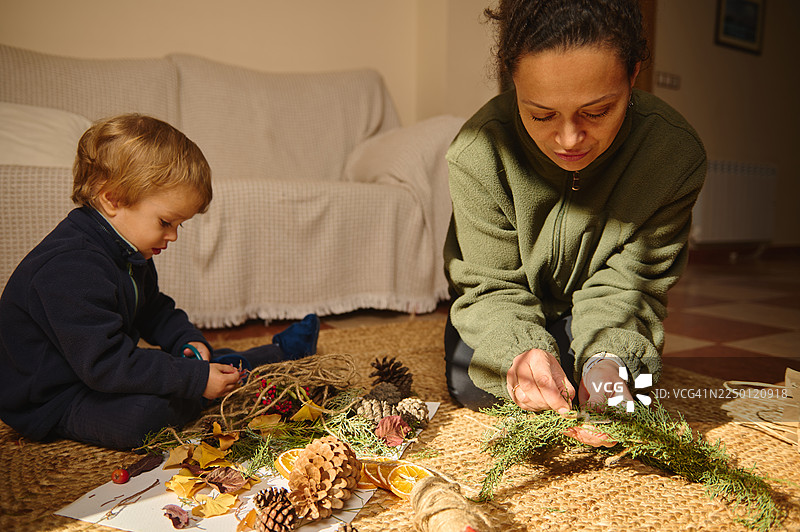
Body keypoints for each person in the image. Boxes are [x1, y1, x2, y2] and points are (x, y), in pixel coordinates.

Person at [444, 0, 706, 421]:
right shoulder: (479, 152)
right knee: (476, 385)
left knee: (621, 389)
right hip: (504, 306)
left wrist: (608, 360)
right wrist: (520, 352)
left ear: (634, 74)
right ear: (513, 80)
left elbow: (633, 286)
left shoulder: (673, 155)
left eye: (597, 111)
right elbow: (488, 284)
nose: (569, 139)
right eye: (541, 114)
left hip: (608, 310)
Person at [0, 114, 320, 450]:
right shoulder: (69, 267)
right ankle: (227, 375)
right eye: (166, 221)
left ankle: (274, 354)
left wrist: (186, 339)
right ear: (113, 199)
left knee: (193, 369)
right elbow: (108, 364)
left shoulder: (128, 249)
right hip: (54, 397)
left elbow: (153, 309)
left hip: (98, 372)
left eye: (180, 225)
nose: (173, 236)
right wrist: (192, 379)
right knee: (143, 417)